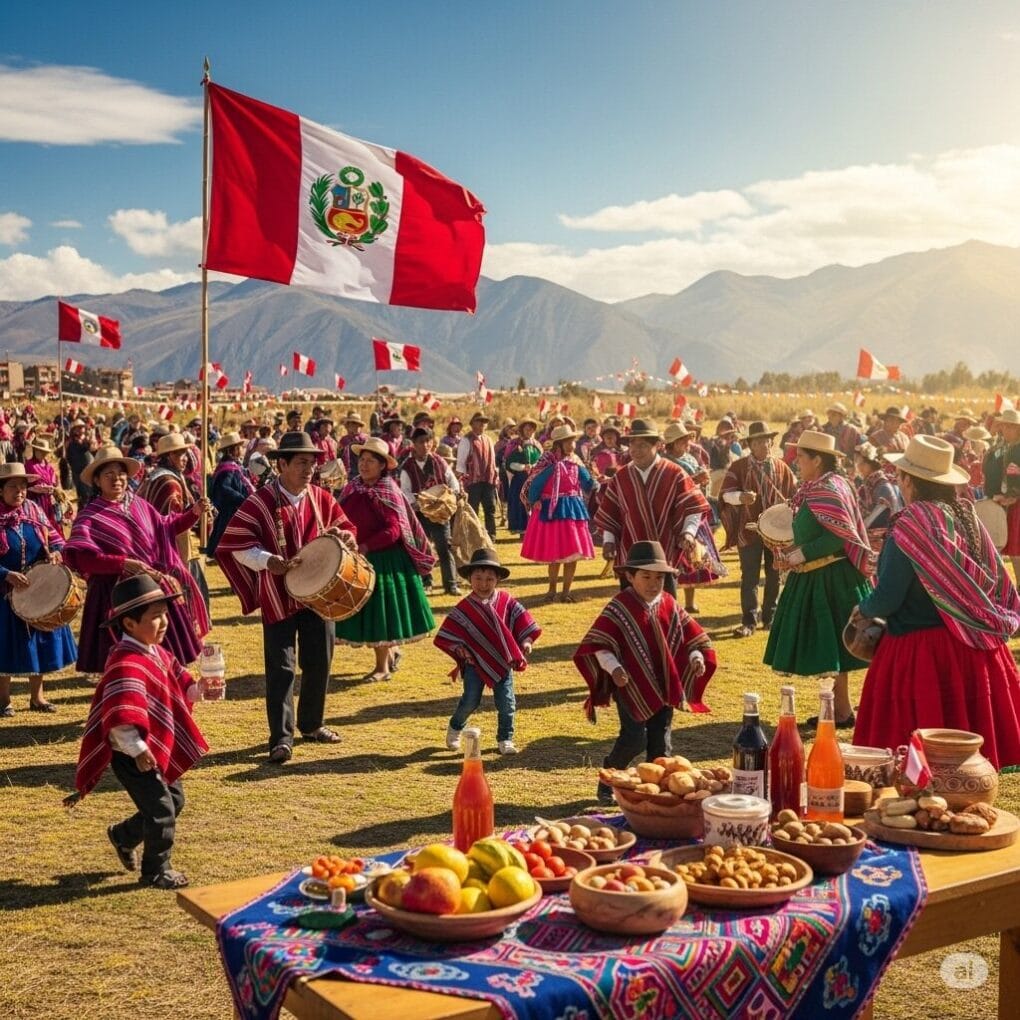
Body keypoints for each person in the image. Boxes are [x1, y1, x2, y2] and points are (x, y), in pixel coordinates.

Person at [852, 435, 1020, 768]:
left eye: (901, 475)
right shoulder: (965, 517)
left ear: (909, 482)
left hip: (922, 650)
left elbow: (888, 596)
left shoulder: (911, 526)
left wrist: (864, 608)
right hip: (974, 646)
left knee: (920, 751)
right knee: (964, 756)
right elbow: (993, 576)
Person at [71, 575, 209, 889]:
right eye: (154, 617)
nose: (163, 623)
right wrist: (138, 750)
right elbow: (119, 718)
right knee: (161, 811)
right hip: (131, 753)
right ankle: (156, 870)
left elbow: (181, 686)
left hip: (149, 749)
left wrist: (200, 688)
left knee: (173, 802)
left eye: (164, 614)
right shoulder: (125, 662)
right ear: (130, 624)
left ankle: (123, 835)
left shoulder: (158, 653)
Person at [573, 541, 717, 804]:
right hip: (631, 686)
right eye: (646, 576)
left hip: (664, 685)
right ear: (629, 576)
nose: (653, 583)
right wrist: (614, 669)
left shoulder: (669, 603)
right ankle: (609, 777)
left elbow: (691, 638)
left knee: (661, 746)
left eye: (659, 577)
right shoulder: (620, 606)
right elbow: (600, 645)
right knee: (634, 739)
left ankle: (658, 791)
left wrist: (696, 658)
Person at [64, 446, 212, 675]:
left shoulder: (139, 505)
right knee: (121, 651)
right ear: (97, 480)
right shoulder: (89, 516)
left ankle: (160, 678)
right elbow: (84, 561)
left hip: (149, 585)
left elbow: (167, 527)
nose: (116, 479)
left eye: (121, 474)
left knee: (160, 642)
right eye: (108, 475)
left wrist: (194, 512)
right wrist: (122, 563)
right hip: (113, 593)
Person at [763, 431, 874, 726]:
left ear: (818, 459)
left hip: (832, 576)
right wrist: (790, 550)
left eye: (801, 456)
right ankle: (840, 709)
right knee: (835, 645)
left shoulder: (828, 490)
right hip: (819, 573)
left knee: (834, 644)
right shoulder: (820, 487)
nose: (796, 461)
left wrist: (799, 555)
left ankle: (840, 710)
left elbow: (839, 537)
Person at [335, 436, 436, 680]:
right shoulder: (353, 487)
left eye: (371, 461)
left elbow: (394, 530)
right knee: (373, 613)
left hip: (385, 559)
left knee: (381, 614)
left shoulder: (387, 490)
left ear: (383, 465)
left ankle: (382, 669)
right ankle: (390, 656)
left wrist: (367, 546)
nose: (364, 464)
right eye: (362, 460)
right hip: (358, 556)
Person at [434, 548, 541, 755]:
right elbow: (448, 635)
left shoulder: (506, 601)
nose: (483, 584)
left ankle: (505, 738)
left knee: (507, 703)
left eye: (489, 579)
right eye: (478, 578)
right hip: (474, 663)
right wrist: (460, 650)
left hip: (503, 661)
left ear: (498, 580)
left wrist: (526, 641)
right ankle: (455, 727)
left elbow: (523, 622)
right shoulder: (464, 608)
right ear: (469, 579)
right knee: (470, 700)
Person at [594, 419, 709, 599]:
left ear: (657, 445)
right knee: (630, 606)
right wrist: (609, 540)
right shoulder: (621, 477)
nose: (635, 450)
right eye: (632, 444)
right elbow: (611, 512)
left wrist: (688, 532)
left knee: (665, 606)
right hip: (630, 554)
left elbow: (692, 506)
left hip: (664, 554)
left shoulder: (674, 473)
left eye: (642, 445)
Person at [0, 462, 77, 715]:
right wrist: (6, 574)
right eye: (13, 487)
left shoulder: (33, 510)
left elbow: (55, 538)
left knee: (39, 641)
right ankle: (4, 700)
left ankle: (37, 698)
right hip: (4, 591)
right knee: (6, 645)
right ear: (1, 490)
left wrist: (55, 553)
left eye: (22, 487)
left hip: (36, 588)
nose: (19, 492)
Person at [719, 421, 798, 636]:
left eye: (767, 440)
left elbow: (794, 495)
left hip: (776, 534)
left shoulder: (782, 468)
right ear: (750, 445)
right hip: (749, 530)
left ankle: (770, 618)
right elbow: (725, 494)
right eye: (759, 441)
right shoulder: (739, 467)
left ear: (772, 442)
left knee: (774, 575)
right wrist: (740, 497)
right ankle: (749, 621)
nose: (764, 444)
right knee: (750, 577)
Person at [520, 424, 596, 603]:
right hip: (552, 510)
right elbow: (535, 483)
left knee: (573, 554)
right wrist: (534, 499)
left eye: (573, 441)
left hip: (572, 510)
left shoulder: (576, 462)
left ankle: (566, 592)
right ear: (559, 443)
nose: (572, 445)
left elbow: (587, 483)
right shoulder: (548, 462)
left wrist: (594, 479)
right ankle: (552, 590)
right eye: (569, 442)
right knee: (554, 555)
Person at [136, 433, 209, 611]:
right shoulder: (169, 483)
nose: (185, 459)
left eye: (185, 454)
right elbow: (173, 521)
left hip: (156, 548)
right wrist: (196, 513)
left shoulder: (157, 476)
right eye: (181, 454)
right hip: (174, 549)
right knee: (189, 597)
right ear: (170, 457)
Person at [661, 422, 726, 612]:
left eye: (687, 439)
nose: (687, 443)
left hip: (694, 513)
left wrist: (702, 480)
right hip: (676, 515)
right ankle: (671, 601)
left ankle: (689, 602)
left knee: (693, 558)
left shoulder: (690, 458)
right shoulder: (666, 463)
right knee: (676, 559)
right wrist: (694, 480)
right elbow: (670, 487)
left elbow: (696, 483)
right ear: (672, 444)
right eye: (682, 440)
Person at [399, 426, 461, 596]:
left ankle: (451, 584)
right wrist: (421, 503)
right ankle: (426, 582)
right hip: (420, 514)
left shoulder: (439, 461)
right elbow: (406, 492)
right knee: (422, 548)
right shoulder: (407, 467)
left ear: (432, 442)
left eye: (428, 441)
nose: (425, 445)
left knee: (444, 547)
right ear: (414, 444)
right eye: (421, 442)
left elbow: (452, 481)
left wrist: (452, 494)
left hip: (440, 512)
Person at [984, 408, 1020, 584]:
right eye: (1003, 426)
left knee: (1016, 548)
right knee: (1014, 548)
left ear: (1016, 428)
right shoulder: (1007, 448)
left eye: (1008, 427)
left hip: (1017, 503)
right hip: (1012, 502)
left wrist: (1013, 496)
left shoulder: (1017, 450)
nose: (1003, 430)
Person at [206, 431, 255, 559]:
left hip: (232, 507)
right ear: (232, 450)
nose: (241, 450)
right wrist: (241, 498)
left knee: (223, 529)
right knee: (225, 530)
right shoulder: (227, 468)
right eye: (238, 447)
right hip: (231, 507)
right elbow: (224, 487)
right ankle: (221, 553)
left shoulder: (232, 465)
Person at [456, 412, 499, 540]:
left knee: (490, 509)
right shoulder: (466, 440)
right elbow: (461, 463)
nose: (482, 424)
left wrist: (495, 477)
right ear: (472, 423)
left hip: (488, 480)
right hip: (473, 482)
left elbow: (493, 461)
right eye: (479, 421)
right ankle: (473, 536)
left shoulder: (489, 439)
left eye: (484, 422)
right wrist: (460, 481)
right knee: (473, 510)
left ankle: (491, 536)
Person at [854, 441, 903, 550]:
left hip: (883, 537)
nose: (859, 467)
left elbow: (876, 516)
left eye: (861, 464)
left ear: (870, 464)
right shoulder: (869, 484)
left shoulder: (883, 486)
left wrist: (860, 530)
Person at [504, 417, 542, 535]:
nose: (529, 431)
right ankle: (522, 529)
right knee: (520, 503)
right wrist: (522, 467)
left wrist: (534, 466)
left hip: (534, 479)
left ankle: (534, 529)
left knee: (534, 502)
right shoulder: (514, 444)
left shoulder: (537, 445)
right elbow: (509, 463)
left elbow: (542, 460)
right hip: (519, 480)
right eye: (527, 429)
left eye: (531, 429)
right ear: (522, 430)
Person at [24, 434, 68, 531]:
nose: (43, 454)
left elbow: (55, 482)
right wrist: (37, 489)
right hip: (36, 502)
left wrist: (56, 490)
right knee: (41, 528)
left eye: (45, 452)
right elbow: (25, 485)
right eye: (41, 451)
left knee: (54, 527)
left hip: (50, 501)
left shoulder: (48, 466)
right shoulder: (29, 465)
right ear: (35, 450)